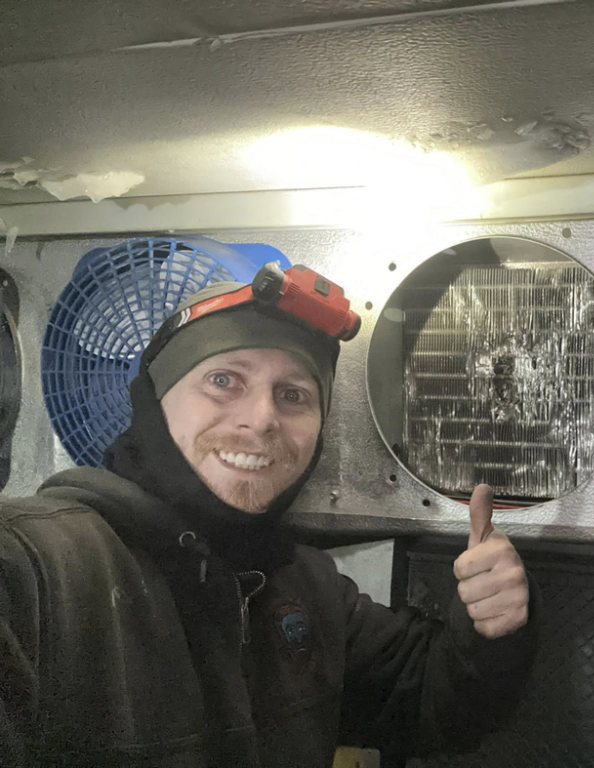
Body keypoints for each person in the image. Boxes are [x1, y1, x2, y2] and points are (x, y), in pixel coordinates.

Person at [0, 266, 538, 767]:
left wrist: (490, 624)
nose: (261, 420)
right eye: (223, 380)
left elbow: (430, 703)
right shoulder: (37, 571)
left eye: (293, 395)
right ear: (155, 399)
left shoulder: (305, 588)